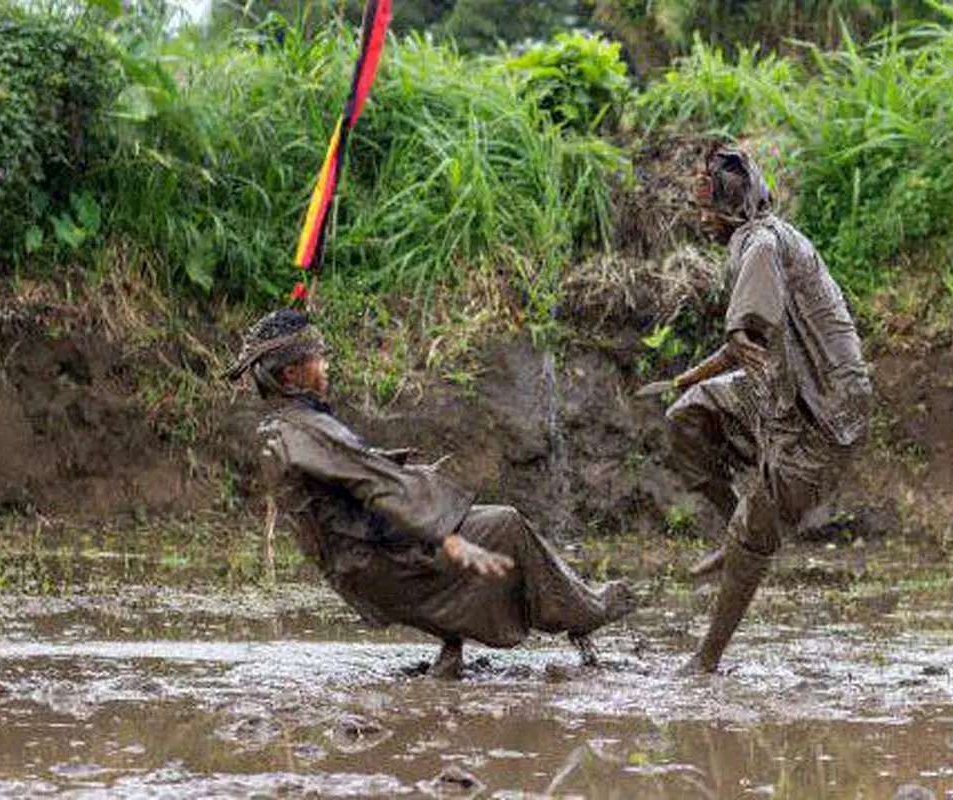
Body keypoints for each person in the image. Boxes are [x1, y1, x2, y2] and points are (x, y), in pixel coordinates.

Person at [227, 308, 636, 679]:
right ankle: (585, 612)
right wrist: (448, 535)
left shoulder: (279, 429)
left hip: (354, 568)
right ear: (291, 376)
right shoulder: (307, 431)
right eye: (319, 359)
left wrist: (394, 465)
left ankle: (450, 656)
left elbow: (339, 485)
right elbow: (382, 488)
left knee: (466, 535)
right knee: (506, 525)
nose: (327, 367)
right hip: (378, 565)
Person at [639, 143, 872, 674]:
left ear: (727, 210)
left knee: (755, 534)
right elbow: (746, 345)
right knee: (686, 414)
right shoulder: (760, 238)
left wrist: (736, 335)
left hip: (825, 416)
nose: (699, 222)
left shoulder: (761, 241)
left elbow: (746, 333)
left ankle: (705, 660)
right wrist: (688, 377)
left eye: (704, 210)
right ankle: (732, 526)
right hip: (783, 390)